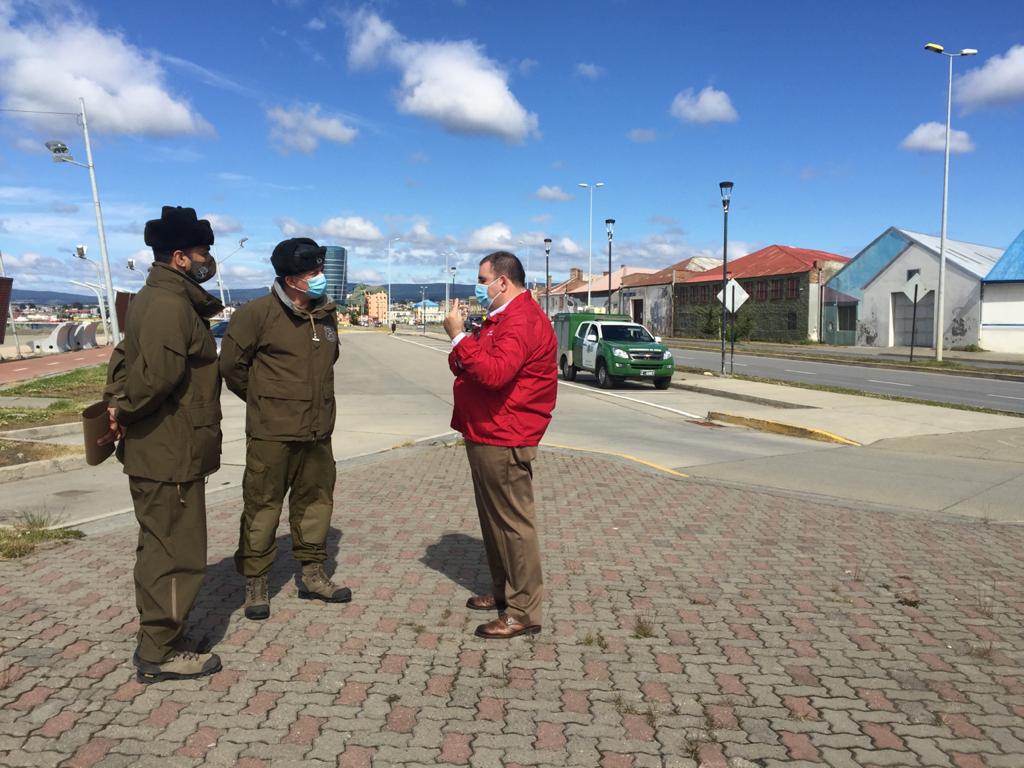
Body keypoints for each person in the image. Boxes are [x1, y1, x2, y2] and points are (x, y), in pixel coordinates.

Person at [102, 206, 224, 683]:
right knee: (174, 552)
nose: (208, 259)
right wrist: (121, 410)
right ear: (178, 257)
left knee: (164, 544)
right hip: (168, 451)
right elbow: (155, 380)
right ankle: (158, 650)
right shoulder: (170, 305)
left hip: (170, 448)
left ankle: (165, 636)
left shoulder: (163, 298)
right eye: (202, 252)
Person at [220, 237, 351, 621]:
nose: (320, 278)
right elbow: (232, 369)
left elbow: (330, 362)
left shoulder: (326, 315)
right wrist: (266, 402)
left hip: (318, 433)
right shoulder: (256, 314)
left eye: (319, 271)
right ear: (291, 279)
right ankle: (256, 582)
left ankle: (312, 574)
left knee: (315, 505)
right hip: (271, 434)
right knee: (262, 507)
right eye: (312, 273)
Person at [443, 251, 557, 639]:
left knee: (512, 525)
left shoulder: (521, 320)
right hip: (485, 430)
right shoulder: (501, 319)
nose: (479, 287)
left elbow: (492, 374)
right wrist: (464, 347)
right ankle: (504, 591)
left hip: (505, 435)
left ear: (502, 282)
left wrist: (459, 336)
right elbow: (467, 363)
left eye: (482, 279)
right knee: (494, 523)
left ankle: (523, 610)